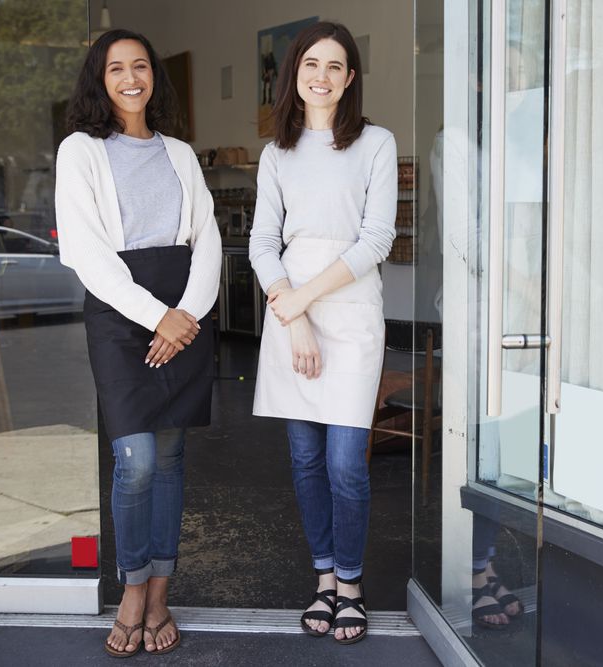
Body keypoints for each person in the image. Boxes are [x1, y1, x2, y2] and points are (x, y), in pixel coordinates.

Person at [54, 28, 221, 658]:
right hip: (122, 314)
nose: (131, 78)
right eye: (117, 68)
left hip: (185, 309)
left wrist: (187, 315)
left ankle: (159, 593)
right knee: (138, 460)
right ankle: (131, 587)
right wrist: (157, 318)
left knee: (171, 458)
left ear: (154, 76)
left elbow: (207, 237)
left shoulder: (179, 153)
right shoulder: (80, 150)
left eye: (141, 66)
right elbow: (85, 251)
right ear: (99, 79)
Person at [249, 21, 397, 645]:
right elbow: (262, 243)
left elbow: (377, 238)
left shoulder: (375, 144)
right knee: (306, 459)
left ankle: (352, 584)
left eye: (335, 66)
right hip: (291, 317)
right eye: (312, 63)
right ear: (295, 73)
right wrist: (297, 317)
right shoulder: (276, 153)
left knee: (345, 463)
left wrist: (304, 300)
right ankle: (325, 578)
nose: (322, 75)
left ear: (350, 78)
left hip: (351, 311)